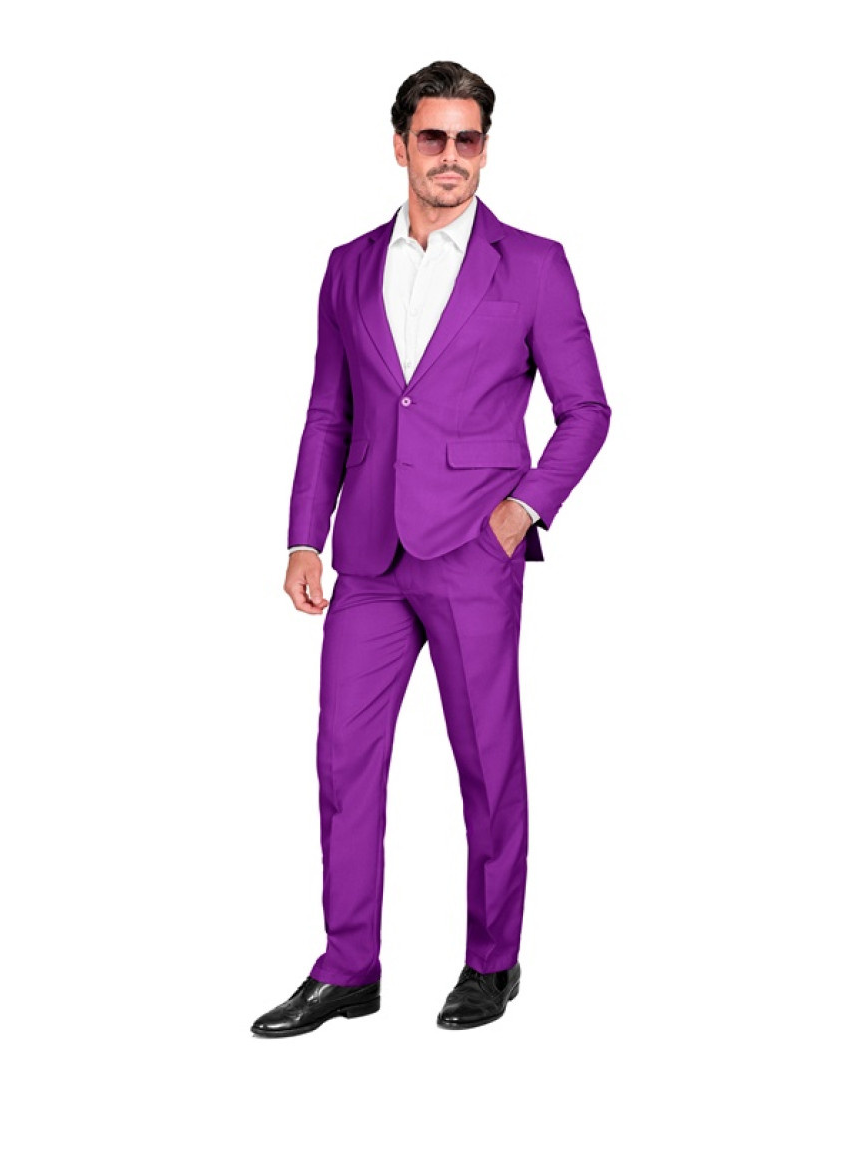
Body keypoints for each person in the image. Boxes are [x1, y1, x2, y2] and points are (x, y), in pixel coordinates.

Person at [251, 61, 611, 1037]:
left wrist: (521, 512)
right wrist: (303, 536)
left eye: (467, 139)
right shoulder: (348, 265)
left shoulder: (532, 264)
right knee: (342, 760)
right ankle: (348, 968)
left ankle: (492, 962)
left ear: (484, 148)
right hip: (368, 554)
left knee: (487, 761)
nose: (450, 157)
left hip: (473, 550)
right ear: (401, 144)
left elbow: (586, 410)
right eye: (432, 137)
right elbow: (329, 411)